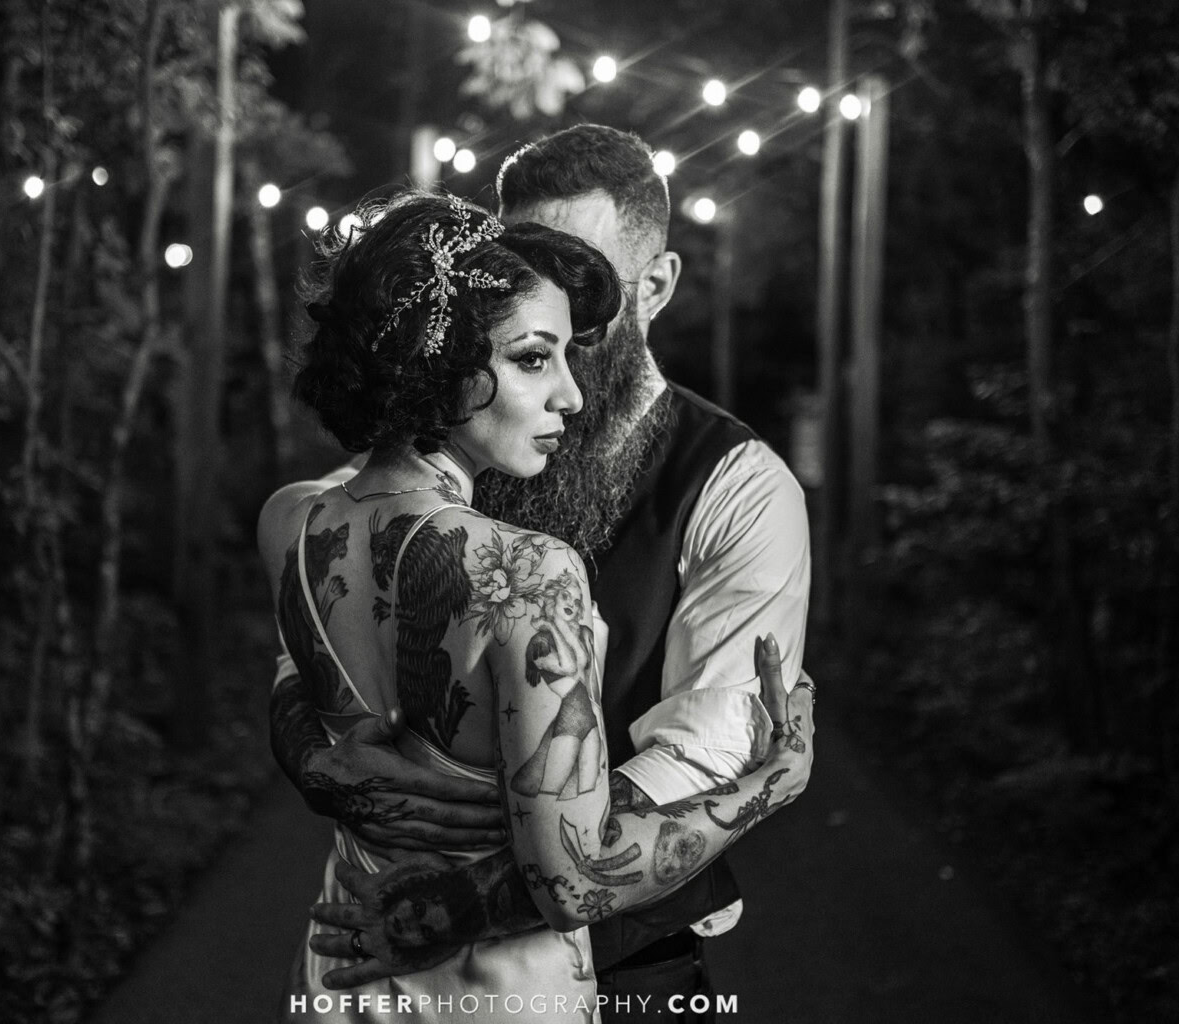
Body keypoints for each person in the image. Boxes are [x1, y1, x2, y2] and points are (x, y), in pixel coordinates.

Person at [273, 126, 813, 1019]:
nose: (553, 302)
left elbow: (705, 752)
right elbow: (303, 671)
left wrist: (467, 897)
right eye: (524, 267)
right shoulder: (419, 462)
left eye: (583, 284)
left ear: (658, 285)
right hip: (403, 955)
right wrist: (312, 757)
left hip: (632, 969)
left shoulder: (739, 487)